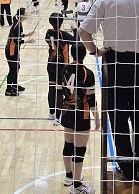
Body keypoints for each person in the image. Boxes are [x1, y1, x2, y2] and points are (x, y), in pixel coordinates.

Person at [79, 0, 139, 182]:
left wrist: (94, 51)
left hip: (114, 63)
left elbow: (84, 32)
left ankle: (125, 166)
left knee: (118, 115)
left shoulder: (105, 0)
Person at [59, 42, 100, 194]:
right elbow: (91, 98)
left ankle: (69, 176)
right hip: (81, 114)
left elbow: (61, 89)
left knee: (68, 145)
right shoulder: (87, 73)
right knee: (79, 150)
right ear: (85, 54)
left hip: (66, 111)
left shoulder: (64, 69)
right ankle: (76, 185)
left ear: (71, 54)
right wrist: (97, 117)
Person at [45, 13, 76, 123]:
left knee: (51, 89)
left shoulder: (48, 33)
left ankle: (51, 113)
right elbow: (76, 41)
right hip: (61, 66)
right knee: (59, 91)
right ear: (61, 22)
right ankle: (58, 118)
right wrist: (75, 29)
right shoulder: (63, 34)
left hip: (50, 64)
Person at [5, 8, 35, 96]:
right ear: (21, 15)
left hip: (14, 50)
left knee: (17, 67)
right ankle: (8, 90)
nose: (27, 14)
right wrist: (27, 41)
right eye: (25, 13)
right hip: (11, 51)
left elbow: (18, 35)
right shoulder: (17, 25)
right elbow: (16, 40)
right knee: (13, 69)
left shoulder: (19, 24)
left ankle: (14, 85)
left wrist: (27, 35)